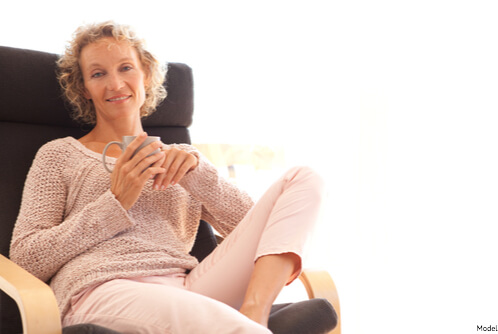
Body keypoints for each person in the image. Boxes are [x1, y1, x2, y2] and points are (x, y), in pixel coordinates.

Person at [10, 21, 324, 334]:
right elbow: (26, 258)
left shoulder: (180, 156)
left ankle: (256, 309)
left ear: (145, 75)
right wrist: (114, 203)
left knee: (302, 178)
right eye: (98, 74)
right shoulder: (59, 155)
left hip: (188, 285)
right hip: (103, 286)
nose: (116, 84)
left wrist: (198, 176)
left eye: (125, 68)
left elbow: (265, 228)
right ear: (84, 89)